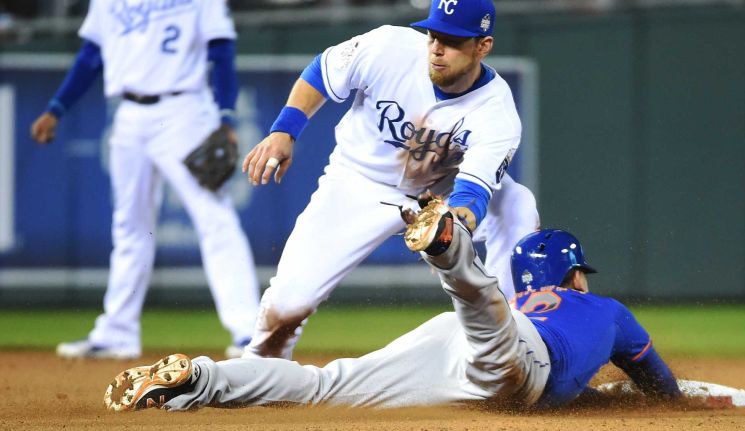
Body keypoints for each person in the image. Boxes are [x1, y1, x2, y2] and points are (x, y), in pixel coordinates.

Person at [102, 198, 681, 412]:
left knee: (326, 384)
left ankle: (201, 379)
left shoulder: (524, 300)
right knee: (483, 310)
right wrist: (667, 402)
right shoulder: (608, 310)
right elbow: (659, 385)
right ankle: (448, 246)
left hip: (462, 340)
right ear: (575, 275)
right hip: (517, 355)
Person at [238, 0, 538, 359]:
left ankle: (511, 344)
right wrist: (284, 130)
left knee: (517, 203)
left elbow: (472, 195)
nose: (437, 49)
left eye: (453, 41)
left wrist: (451, 236)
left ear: (482, 46)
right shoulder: (388, 47)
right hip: (357, 182)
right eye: (433, 36)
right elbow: (323, 69)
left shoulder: (496, 112)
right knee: (288, 303)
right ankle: (257, 370)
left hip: (439, 192)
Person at [30, 0, 260, 359]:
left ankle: (248, 332)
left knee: (216, 219)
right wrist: (57, 108)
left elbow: (222, 52)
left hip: (185, 112)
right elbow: (91, 55)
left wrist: (226, 116)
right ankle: (117, 333)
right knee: (130, 226)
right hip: (128, 115)